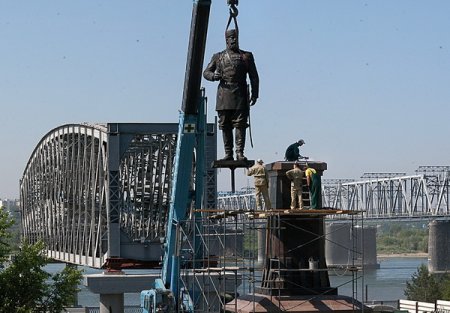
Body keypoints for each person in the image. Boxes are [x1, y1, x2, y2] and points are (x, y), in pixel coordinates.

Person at [203, 29, 259, 161]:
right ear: (226, 40)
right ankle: (228, 153)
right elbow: (206, 72)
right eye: (231, 38)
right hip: (224, 94)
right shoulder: (218, 56)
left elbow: (254, 77)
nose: (233, 40)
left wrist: (255, 94)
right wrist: (213, 76)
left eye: (235, 37)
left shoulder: (246, 56)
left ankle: (240, 152)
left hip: (240, 94)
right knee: (225, 124)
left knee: (240, 124)